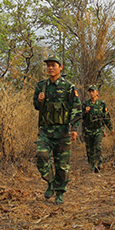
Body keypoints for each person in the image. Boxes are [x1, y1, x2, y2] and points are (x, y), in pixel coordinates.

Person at [33, 54, 82, 204]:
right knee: (41, 156)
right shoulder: (41, 86)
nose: (50, 67)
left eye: (53, 65)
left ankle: (60, 192)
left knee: (62, 165)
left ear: (60, 67)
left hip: (62, 132)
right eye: (48, 65)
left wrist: (74, 128)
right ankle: (50, 182)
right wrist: (39, 100)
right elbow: (36, 106)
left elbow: (76, 108)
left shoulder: (68, 87)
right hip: (45, 131)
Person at [82, 84, 114, 173]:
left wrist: (110, 128)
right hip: (88, 129)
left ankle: (98, 165)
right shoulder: (85, 104)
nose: (91, 93)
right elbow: (80, 116)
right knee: (89, 149)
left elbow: (106, 117)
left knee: (98, 147)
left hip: (98, 129)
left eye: (93, 91)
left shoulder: (102, 103)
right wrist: (85, 112)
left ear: (97, 92)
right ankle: (92, 165)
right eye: (90, 92)